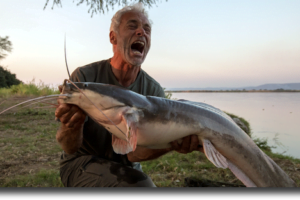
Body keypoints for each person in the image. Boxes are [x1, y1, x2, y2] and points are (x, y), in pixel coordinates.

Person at [55, 3, 203, 187]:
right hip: (81, 163)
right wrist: (71, 127)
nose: (142, 32)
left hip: (127, 167)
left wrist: (171, 143)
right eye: (132, 26)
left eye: (147, 29)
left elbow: (134, 154)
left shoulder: (154, 91)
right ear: (113, 37)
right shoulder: (83, 78)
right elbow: (69, 147)